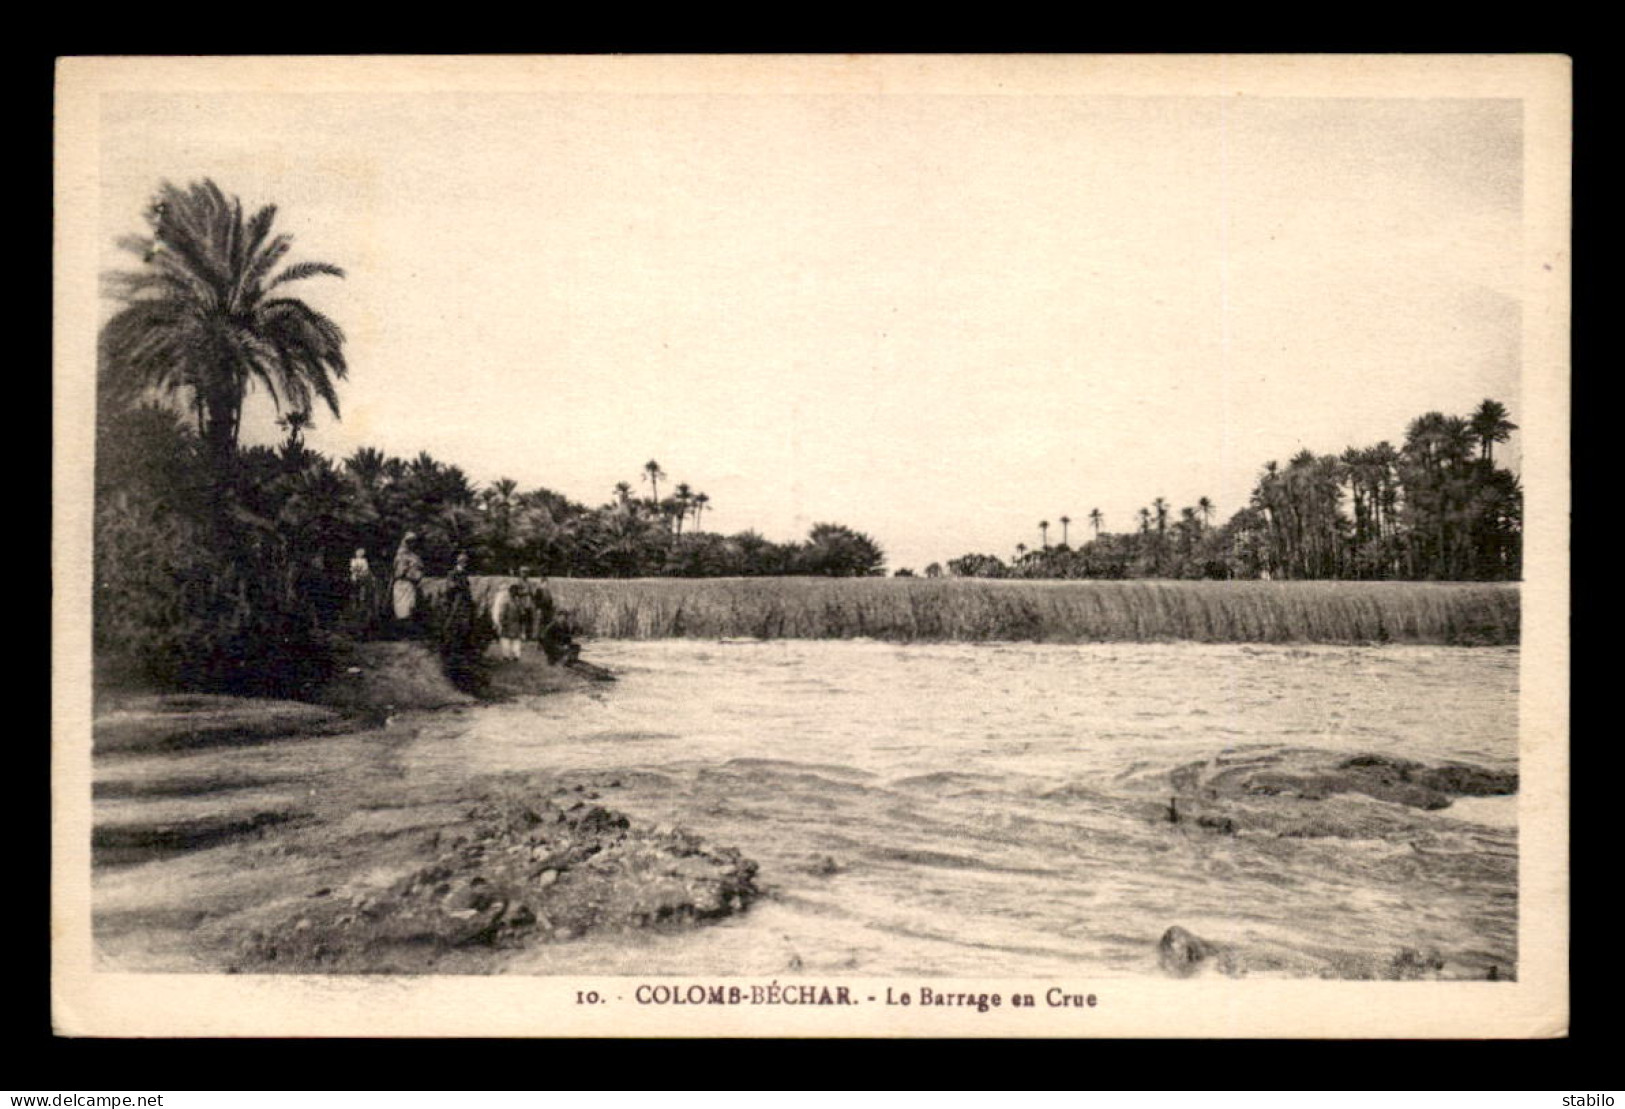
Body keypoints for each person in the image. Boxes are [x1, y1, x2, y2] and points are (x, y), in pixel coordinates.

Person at [438, 551, 479, 682]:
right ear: (458, 562)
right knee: (453, 624)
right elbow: (450, 587)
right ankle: (449, 650)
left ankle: (465, 651)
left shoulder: (464, 575)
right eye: (462, 562)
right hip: (456, 603)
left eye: (466, 562)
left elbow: (467, 590)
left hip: (464, 604)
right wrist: (458, 589)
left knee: (466, 625)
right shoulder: (453, 574)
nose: (464, 564)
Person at [530, 573, 580, 666]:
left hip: (548, 612)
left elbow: (550, 603)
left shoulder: (547, 591)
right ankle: (542, 647)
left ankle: (565, 657)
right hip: (542, 611)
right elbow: (536, 602)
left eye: (546, 582)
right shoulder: (539, 591)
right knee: (543, 628)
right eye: (544, 582)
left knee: (547, 627)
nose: (545, 584)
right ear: (541, 582)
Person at [494, 566, 535, 662]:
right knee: (507, 636)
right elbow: (516, 593)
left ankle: (523, 640)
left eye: (526, 572)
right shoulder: (517, 583)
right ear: (520, 573)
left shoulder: (529, 583)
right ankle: (507, 655)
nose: (525, 574)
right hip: (516, 608)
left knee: (522, 624)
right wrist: (524, 593)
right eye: (523, 572)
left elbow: (531, 593)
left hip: (525, 606)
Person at [391, 532, 425, 632]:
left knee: (411, 606)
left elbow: (420, 568)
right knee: (402, 607)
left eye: (413, 542)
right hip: (401, 583)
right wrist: (406, 569)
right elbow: (398, 571)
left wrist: (416, 572)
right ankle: (400, 630)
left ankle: (409, 630)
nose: (411, 545)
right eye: (409, 542)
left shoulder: (414, 556)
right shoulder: (401, 555)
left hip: (410, 584)